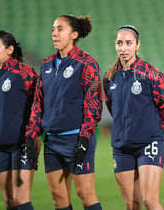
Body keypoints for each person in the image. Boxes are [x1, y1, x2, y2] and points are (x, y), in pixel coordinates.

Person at [25, 15, 102, 210]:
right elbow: (38, 101)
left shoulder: (86, 63)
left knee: (85, 195)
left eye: (60, 29)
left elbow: (93, 104)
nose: (54, 33)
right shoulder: (47, 64)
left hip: (76, 139)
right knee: (59, 200)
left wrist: (84, 139)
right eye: (53, 29)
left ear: (74, 34)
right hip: (51, 142)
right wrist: (32, 133)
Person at [103, 25, 164, 210]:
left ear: (137, 45)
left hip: (148, 143)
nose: (123, 48)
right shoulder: (109, 77)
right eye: (120, 43)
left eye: (128, 43)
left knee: (150, 201)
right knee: (131, 204)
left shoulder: (151, 74)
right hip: (121, 147)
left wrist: (159, 135)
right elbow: (115, 109)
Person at [0, 30, 39, 210]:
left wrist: (33, 135)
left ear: (9, 49)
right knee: (9, 201)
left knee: (21, 199)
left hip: (22, 143)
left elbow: (39, 106)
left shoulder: (25, 73)